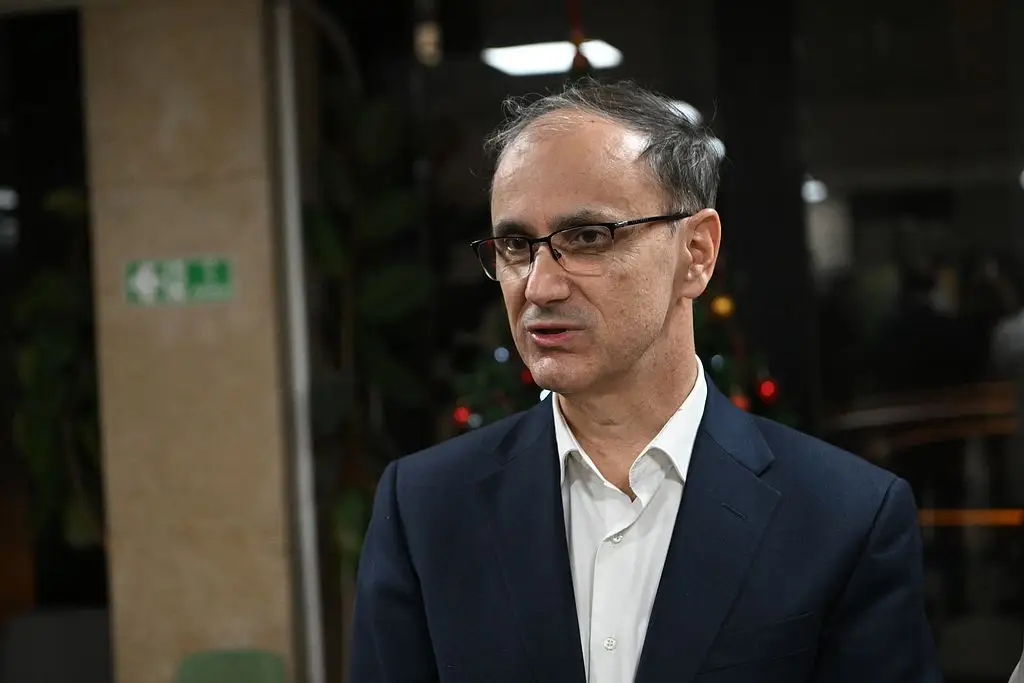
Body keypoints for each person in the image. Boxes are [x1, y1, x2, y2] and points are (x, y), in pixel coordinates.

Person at [349, 79, 943, 683]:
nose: (540, 286)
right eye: (516, 245)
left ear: (697, 253)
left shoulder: (845, 516)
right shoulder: (425, 509)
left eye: (588, 237)